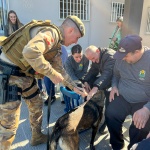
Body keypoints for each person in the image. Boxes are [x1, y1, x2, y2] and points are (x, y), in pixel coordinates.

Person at [0, 15, 87, 150]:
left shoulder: (56, 46)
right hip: (8, 72)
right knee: (8, 126)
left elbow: (61, 72)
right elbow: (30, 52)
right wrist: (51, 74)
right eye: (77, 37)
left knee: (36, 102)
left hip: (24, 74)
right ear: (70, 31)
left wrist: (75, 88)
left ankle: (37, 136)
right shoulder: (50, 33)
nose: (76, 42)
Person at [105, 35, 150, 150]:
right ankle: (117, 145)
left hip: (144, 101)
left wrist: (147, 109)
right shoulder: (121, 59)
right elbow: (115, 75)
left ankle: (133, 147)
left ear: (137, 52)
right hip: (123, 95)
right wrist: (114, 86)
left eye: (126, 56)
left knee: (140, 126)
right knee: (111, 114)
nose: (123, 59)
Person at [82, 45, 116, 132]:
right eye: (91, 60)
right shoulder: (95, 56)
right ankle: (89, 113)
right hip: (106, 80)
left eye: (93, 58)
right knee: (88, 83)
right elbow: (93, 70)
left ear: (97, 51)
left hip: (116, 81)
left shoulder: (110, 56)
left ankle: (107, 123)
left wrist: (95, 88)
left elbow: (107, 74)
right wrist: (85, 81)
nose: (93, 61)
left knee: (110, 102)